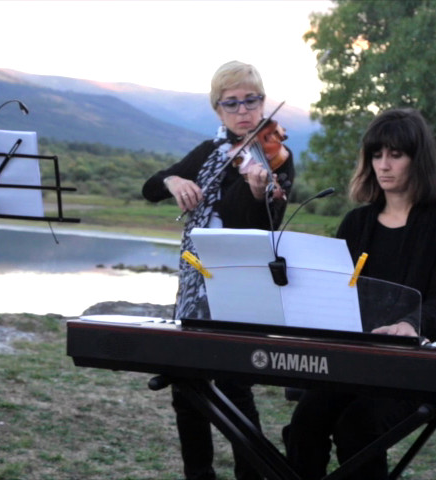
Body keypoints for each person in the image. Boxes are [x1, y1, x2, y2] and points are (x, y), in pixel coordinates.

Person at [284, 108, 436, 479]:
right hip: (354, 359)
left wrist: (408, 323)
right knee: (304, 425)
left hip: (414, 363)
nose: (384, 165)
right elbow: (336, 294)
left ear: (418, 160)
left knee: (358, 429)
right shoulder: (356, 222)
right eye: (376, 155)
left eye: (395, 155)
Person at [142, 60, 294, 480]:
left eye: (251, 100)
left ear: (263, 103)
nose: (243, 110)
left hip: (241, 284)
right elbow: (151, 186)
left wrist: (256, 187)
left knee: (233, 389)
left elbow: (256, 224)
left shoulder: (275, 157)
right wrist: (174, 182)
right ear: (218, 110)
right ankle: (198, 473)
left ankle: (252, 473)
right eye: (232, 103)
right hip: (195, 284)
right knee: (186, 387)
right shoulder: (210, 153)